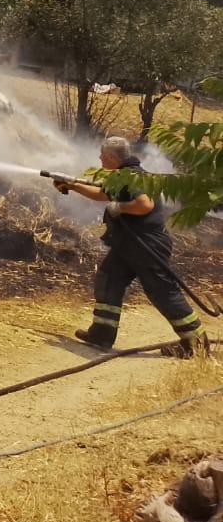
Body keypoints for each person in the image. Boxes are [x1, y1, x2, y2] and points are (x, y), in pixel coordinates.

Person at [56, 136, 208, 357]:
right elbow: (102, 194)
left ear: (111, 156)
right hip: (129, 245)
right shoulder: (123, 175)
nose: (99, 157)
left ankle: (196, 344)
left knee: (163, 293)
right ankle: (101, 335)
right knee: (109, 278)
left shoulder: (133, 176)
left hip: (146, 245)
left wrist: (121, 208)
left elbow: (144, 204)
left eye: (102, 154)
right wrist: (72, 185)